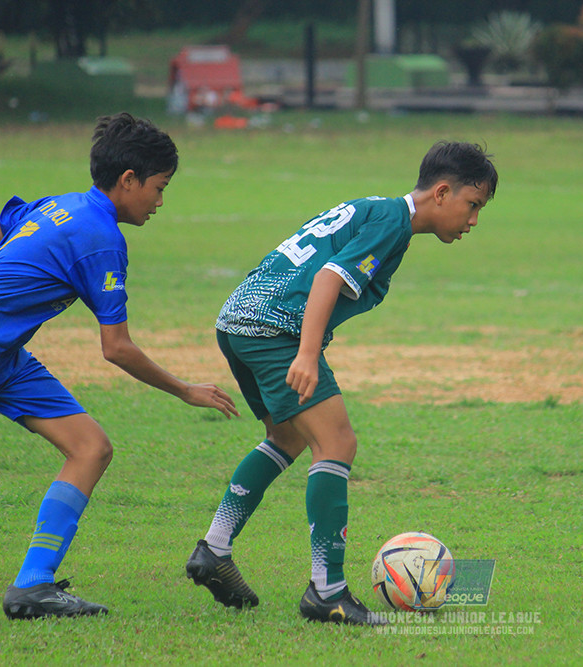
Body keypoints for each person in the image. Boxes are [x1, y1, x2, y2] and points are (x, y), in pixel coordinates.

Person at [185, 141, 498, 625]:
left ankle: (215, 549)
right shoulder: (393, 224)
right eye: (472, 205)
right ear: (441, 192)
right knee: (337, 443)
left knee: (286, 437)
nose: (474, 220)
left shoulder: (375, 209)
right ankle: (326, 592)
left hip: (238, 319)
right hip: (277, 328)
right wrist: (308, 353)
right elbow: (328, 278)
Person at [0, 112, 239, 619]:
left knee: (90, 448)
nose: (159, 201)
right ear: (128, 181)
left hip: (3, 358)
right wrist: (185, 390)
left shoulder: (57, 205)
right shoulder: (102, 238)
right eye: (158, 187)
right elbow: (117, 348)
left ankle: (33, 586)